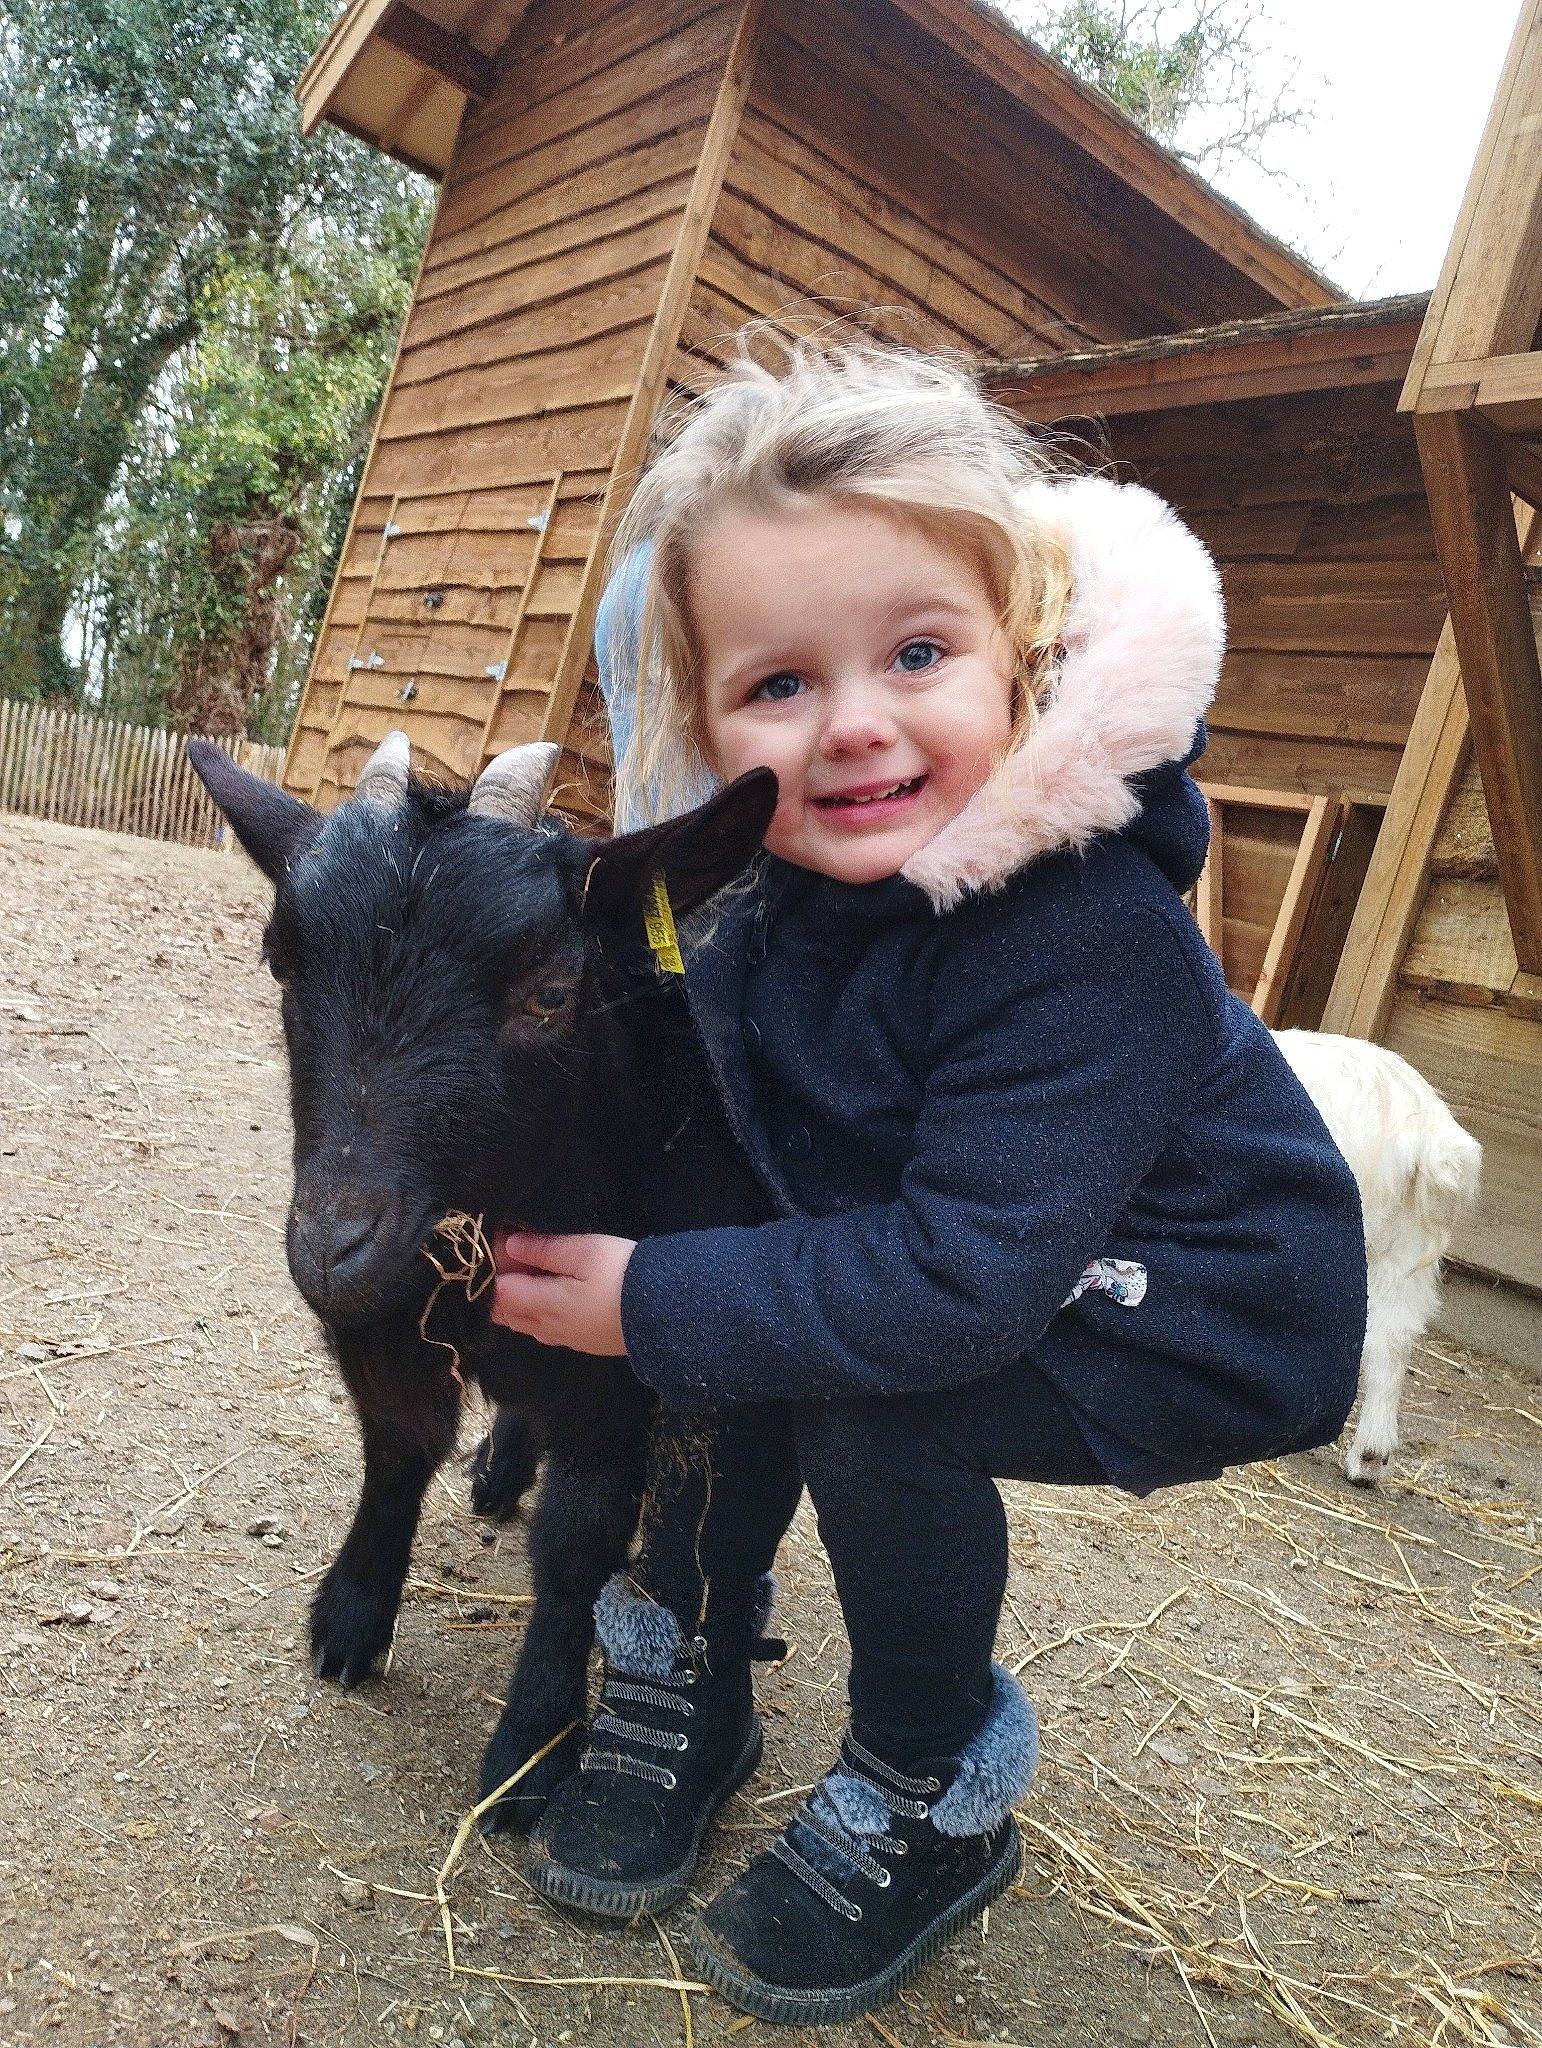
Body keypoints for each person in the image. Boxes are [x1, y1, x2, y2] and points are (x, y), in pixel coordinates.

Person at [488, 343, 1367, 2027]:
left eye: (914, 653)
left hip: (1189, 1302)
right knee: (738, 1291)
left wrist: (646, 1299)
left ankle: (926, 1785)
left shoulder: (1083, 941)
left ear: (1018, 651)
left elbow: (952, 1289)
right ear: (702, 721)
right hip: (978, 1248)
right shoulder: (783, 895)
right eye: (778, 683)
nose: (854, 724)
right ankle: (689, 1663)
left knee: (871, 1397)